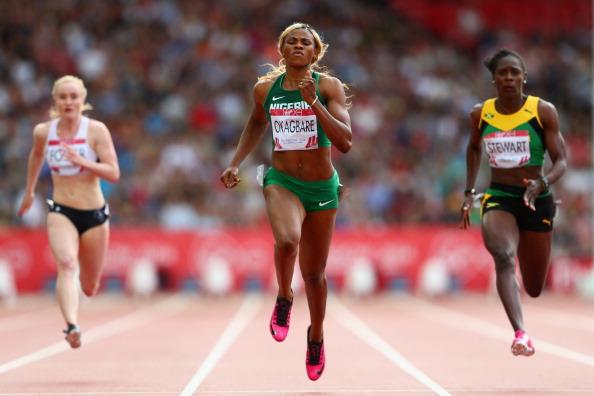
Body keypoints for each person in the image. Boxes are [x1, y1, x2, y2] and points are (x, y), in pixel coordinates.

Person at [220, 22, 352, 380]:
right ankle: (283, 295)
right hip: (281, 180)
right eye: (291, 41)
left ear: (315, 52)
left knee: (314, 273)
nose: (297, 46)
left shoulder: (328, 87)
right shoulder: (265, 89)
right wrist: (235, 162)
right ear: (281, 50)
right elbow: (255, 123)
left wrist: (314, 104)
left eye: (305, 43)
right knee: (287, 240)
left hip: (322, 188)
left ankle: (316, 336)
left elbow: (345, 142)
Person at [460, 49, 567, 356]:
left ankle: (524, 310)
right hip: (500, 198)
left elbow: (561, 161)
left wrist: (542, 181)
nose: (509, 78)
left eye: (514, 72)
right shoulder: (481, 114)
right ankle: (520, 334)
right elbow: (473, 148)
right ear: (494, 79)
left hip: (537, 200)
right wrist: (469, 192)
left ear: (524, 78)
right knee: (504, 257)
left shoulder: (542, 111)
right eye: (503, 73)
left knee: (534, 287)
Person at [18, 75, 120, 349]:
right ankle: (72, 325)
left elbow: (114, 172)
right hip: (61, 209)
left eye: (73, 97)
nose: (68, 102)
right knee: (66, 264)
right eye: (63, 97)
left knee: (89, 286)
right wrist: (29, 191)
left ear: (83, 100)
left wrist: (84, 162)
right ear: (55, 101)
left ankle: (80, 303)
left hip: (94, 214)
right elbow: (36, 155)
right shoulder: (44, 132)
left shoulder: (96, 131)